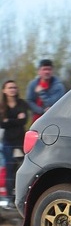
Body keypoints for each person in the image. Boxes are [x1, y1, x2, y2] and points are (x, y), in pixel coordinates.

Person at [0, 80, 30, 208]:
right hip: (8, 142)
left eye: (14, 87)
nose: (13, 89)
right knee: (10, 168)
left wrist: (10, 120)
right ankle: (9, 199)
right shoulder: (2, 106)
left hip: (20, 141)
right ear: (4, 90)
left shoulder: (22, 103)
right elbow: (2, 123)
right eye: (10, 87)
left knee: (24, 168)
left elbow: (24, 121)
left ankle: (24, 196)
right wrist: (16, 119)